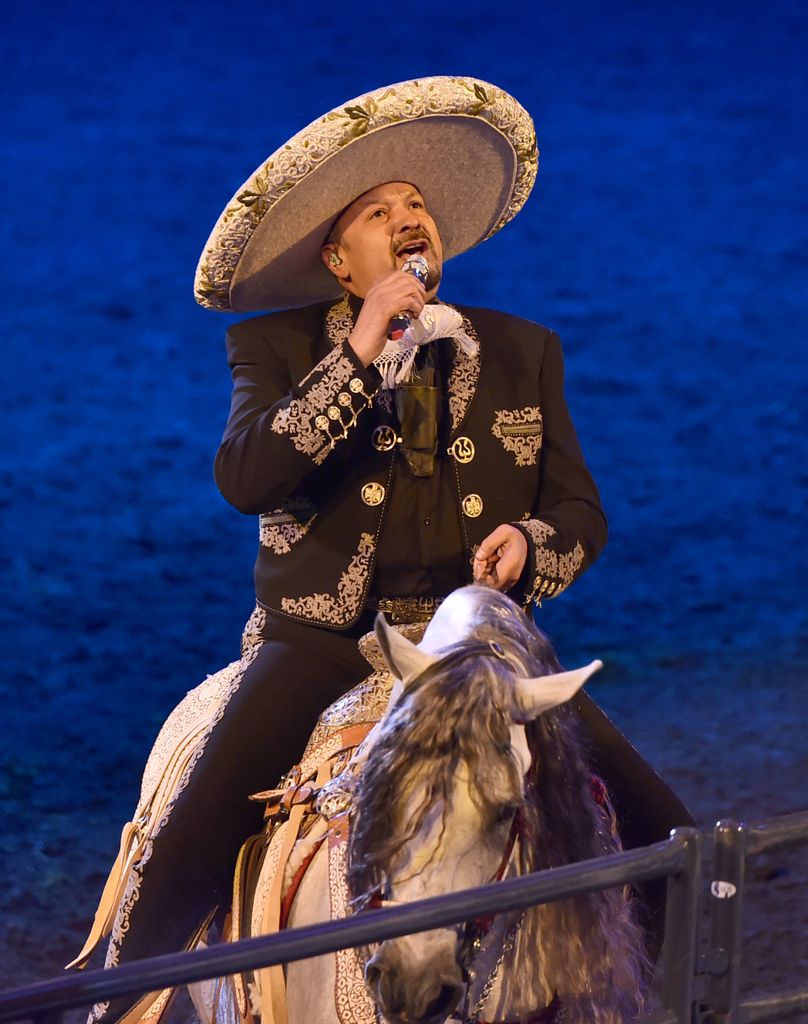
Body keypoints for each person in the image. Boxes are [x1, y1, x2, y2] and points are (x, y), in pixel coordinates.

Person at [72, 77, 691, 1024]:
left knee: (670, 836)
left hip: (476, 648)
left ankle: (689, 995)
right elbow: (245, 478)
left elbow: (579, 508)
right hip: (322, 641)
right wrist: (359, 355)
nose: (410, 220)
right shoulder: (273, 348)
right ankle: (123, 997)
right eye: (378, 212)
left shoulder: (525, 350)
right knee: (202, 818)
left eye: (418, 207)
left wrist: (531, 541)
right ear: (338, 257)